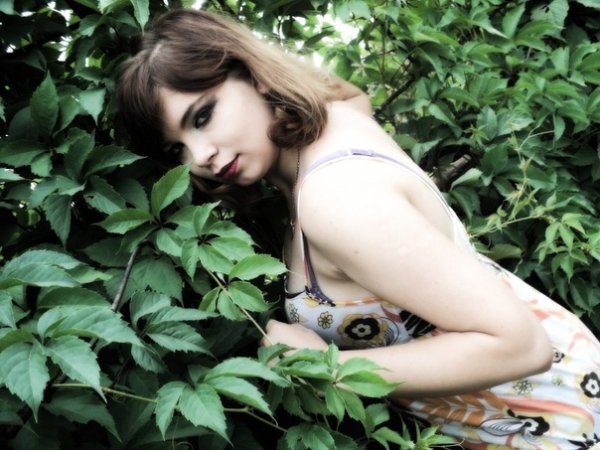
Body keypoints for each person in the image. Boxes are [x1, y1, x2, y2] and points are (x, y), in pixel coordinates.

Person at [117, 8, 600, 449]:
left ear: (254, 76)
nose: (200, 157)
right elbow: (353, 93)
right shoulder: (338, 119)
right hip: (559, 383)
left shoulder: (335, 198)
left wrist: (328, 368)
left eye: (203, 116)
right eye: (178, 147)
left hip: (555, 421)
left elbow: (520, 346)